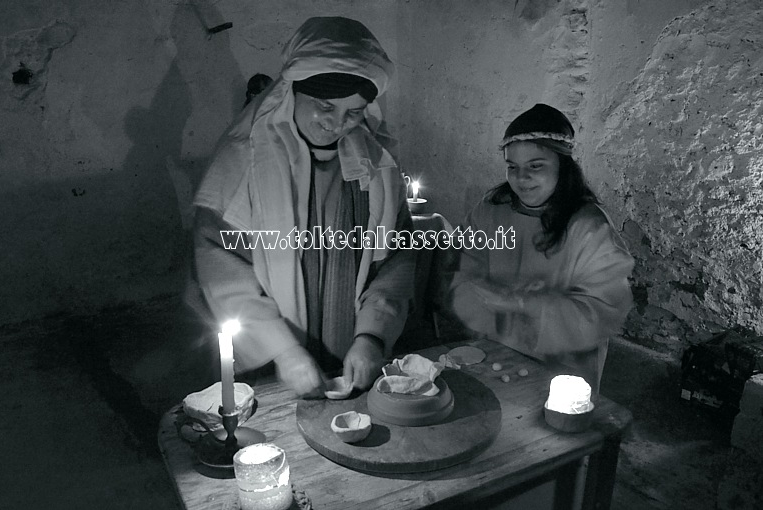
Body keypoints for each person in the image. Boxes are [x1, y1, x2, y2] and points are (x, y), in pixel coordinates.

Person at [191, 17, 414, 398]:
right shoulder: (244, 163)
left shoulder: (374, 168)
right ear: (292, 92)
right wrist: (283, 349)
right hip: (275, 365)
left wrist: (372, 335)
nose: (336, 124)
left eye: (354, 112)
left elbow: (396, 257)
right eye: (324, 105)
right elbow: (221, 268)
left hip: (351, 353)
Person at [446, 104, 634, 395]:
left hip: (564, 370)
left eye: (536, 166)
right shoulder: (489, 212)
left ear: (562, 165)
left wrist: (522, 303)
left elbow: (604, 308)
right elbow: (467, 271)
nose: (521, 178)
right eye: (512, 167)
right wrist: (475, 298)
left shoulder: (588, 228)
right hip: (499, 351)